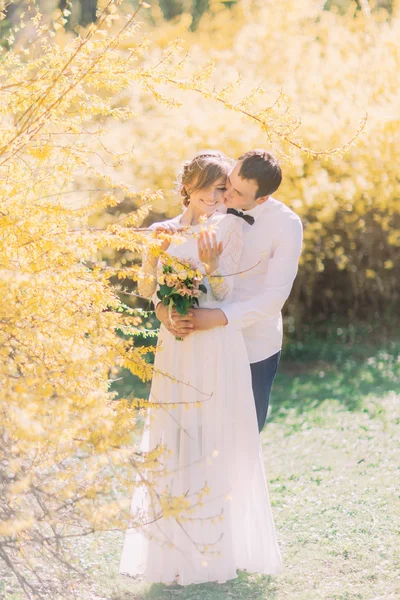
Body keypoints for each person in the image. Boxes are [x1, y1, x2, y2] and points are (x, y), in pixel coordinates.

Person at [119, 150, 282, 586]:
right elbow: (145, 286)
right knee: (174, 436)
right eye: (214, 190)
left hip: (216, 345)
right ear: (190, 187)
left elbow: (228, 293)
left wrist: (209, 267)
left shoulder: (229, 228)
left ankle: (220, 546)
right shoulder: (161, 231)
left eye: (225, 191)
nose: (220, 198)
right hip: (177, 344)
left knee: (216, 433)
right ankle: (173, 545)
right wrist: (164, 314)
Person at [156, 150, 303, 432]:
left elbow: (273, 299)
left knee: (245, 432)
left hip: (253, 342)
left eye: (237, 193)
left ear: (262, 199)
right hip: (201, 340)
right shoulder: (215, 198)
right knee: (199, 429)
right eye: (229, 183)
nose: (225, 196)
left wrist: (216, 317)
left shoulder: (286, 225)